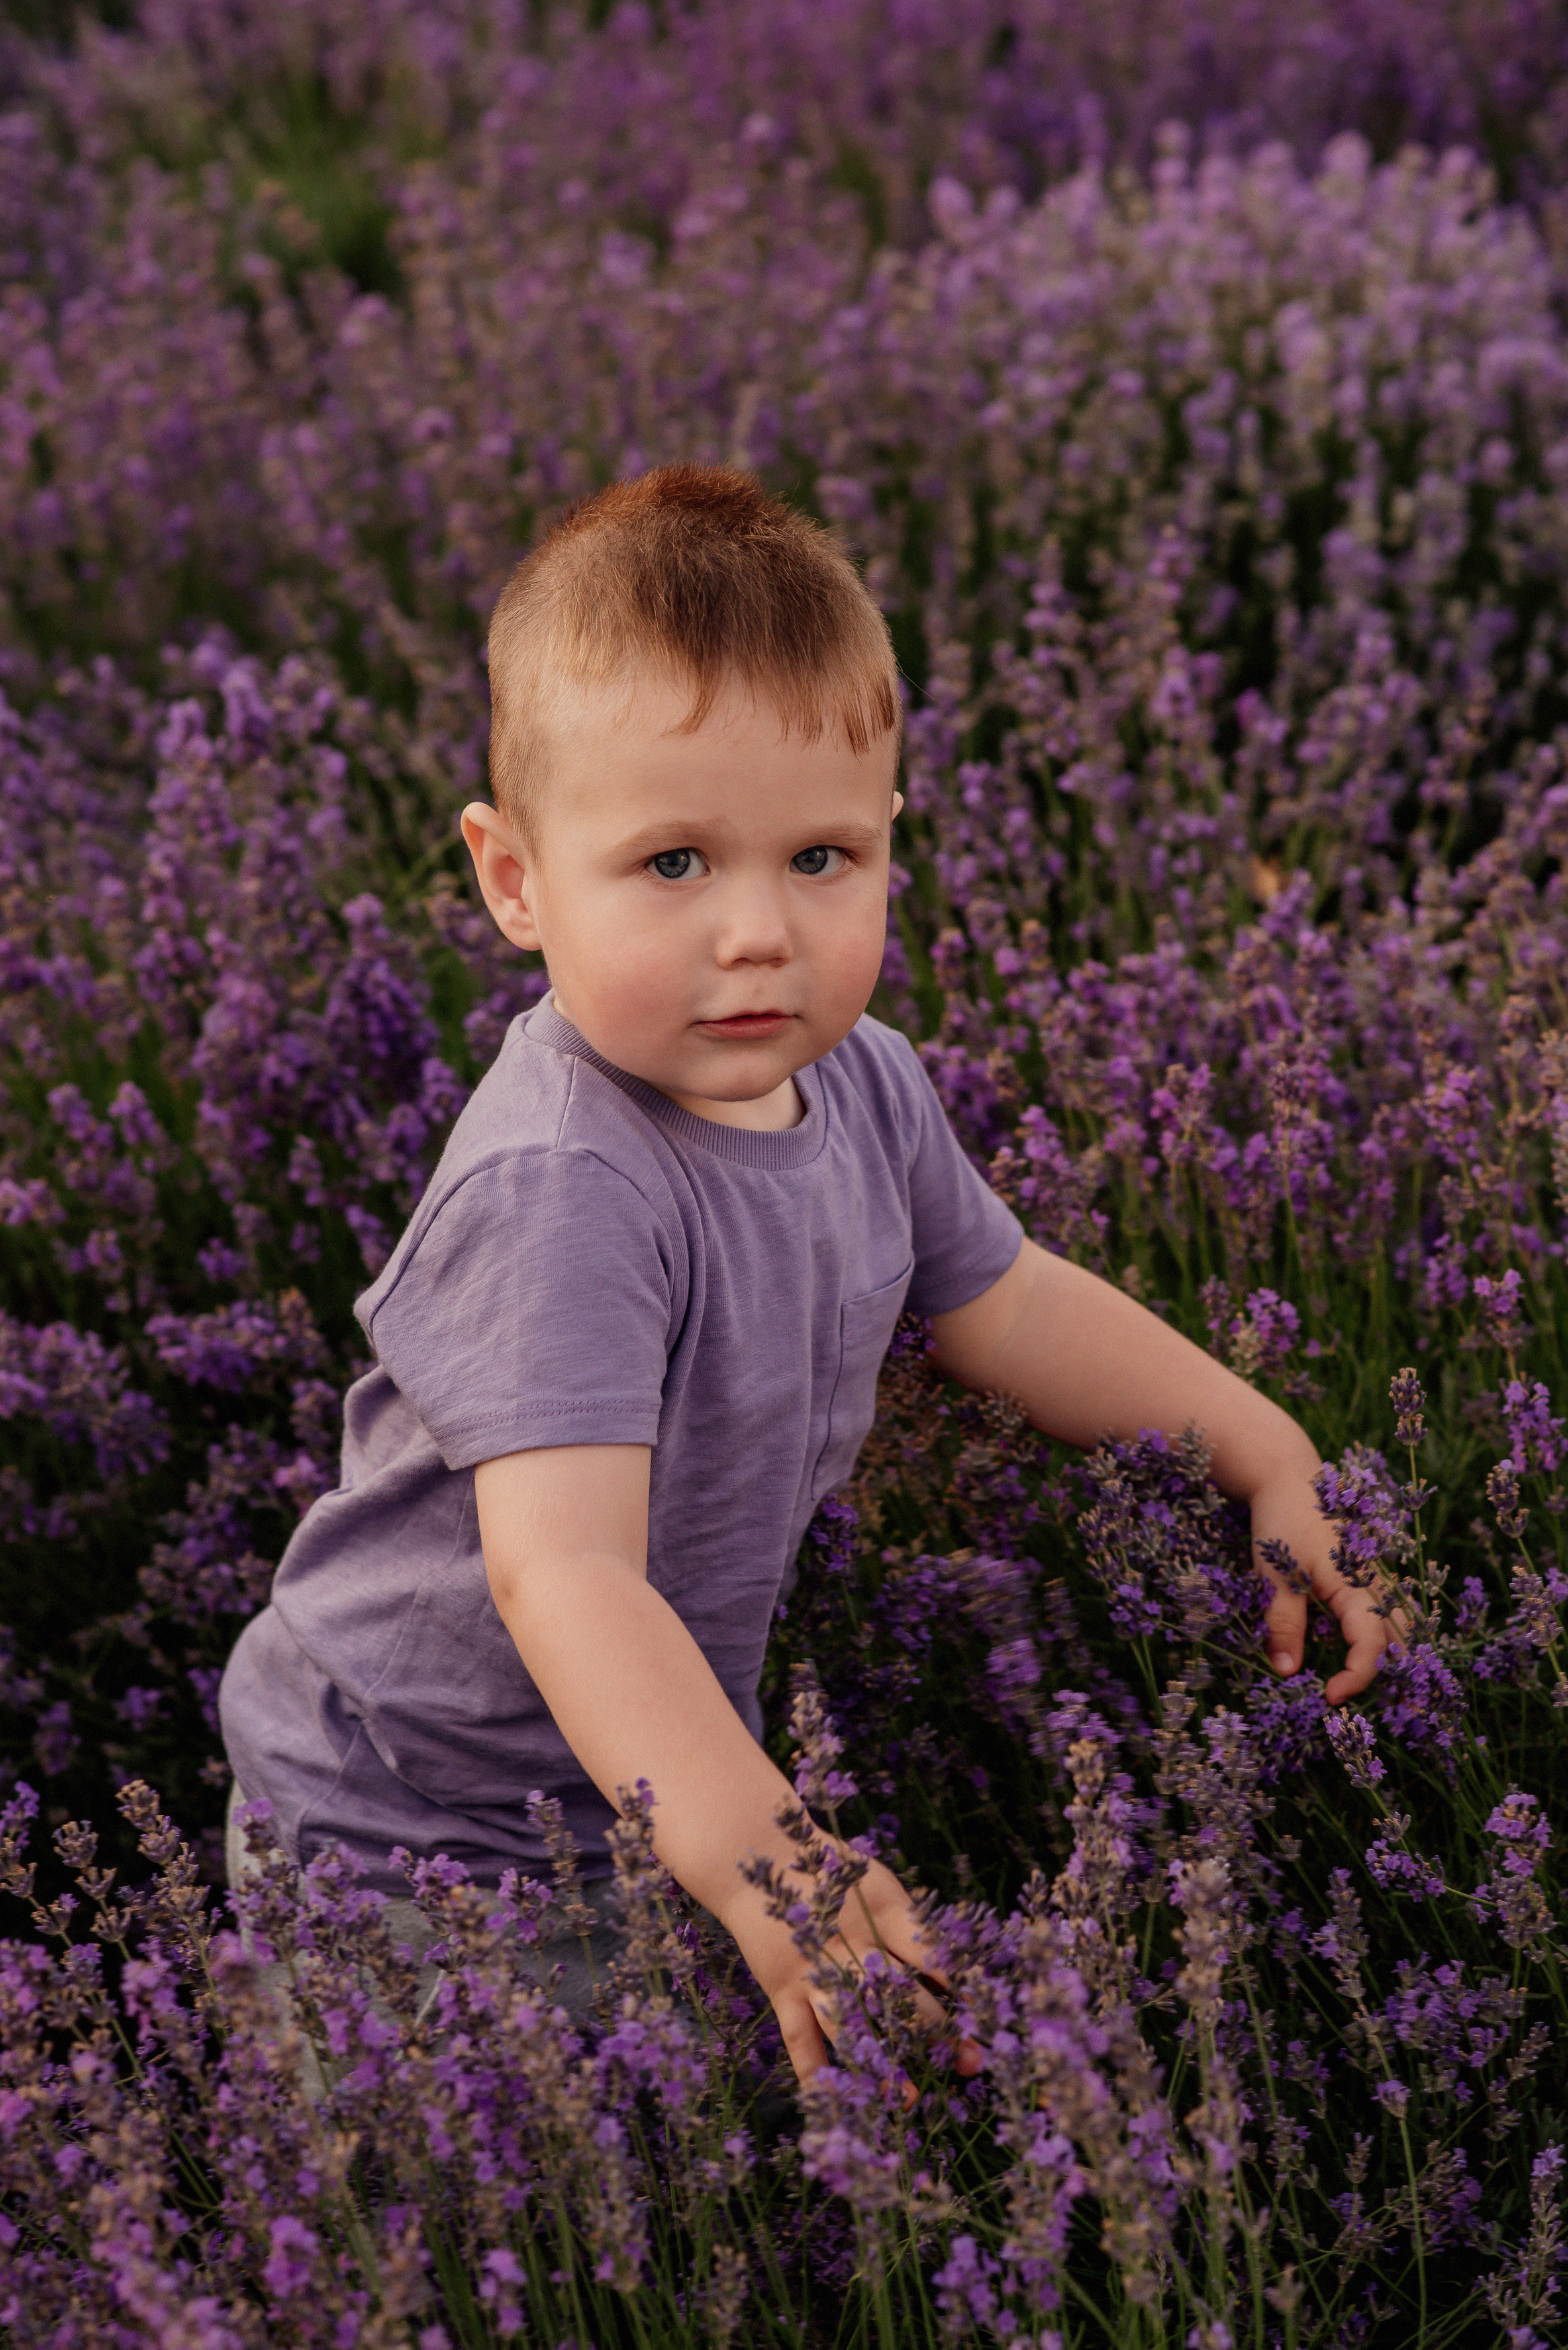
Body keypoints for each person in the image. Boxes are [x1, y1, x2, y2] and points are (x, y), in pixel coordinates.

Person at [218, 464, 1393, 2087]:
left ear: (891, 839)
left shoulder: (862, 1082)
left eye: (822, 856)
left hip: (647, 1773)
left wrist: (1257, 1444)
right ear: (514, 879)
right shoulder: (563, 1185)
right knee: (457, 2176)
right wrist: (777, 1864)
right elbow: (568, 1576)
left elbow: (1009, 1302)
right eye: (673, 864)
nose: (759, 930)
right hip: (409, 1826)